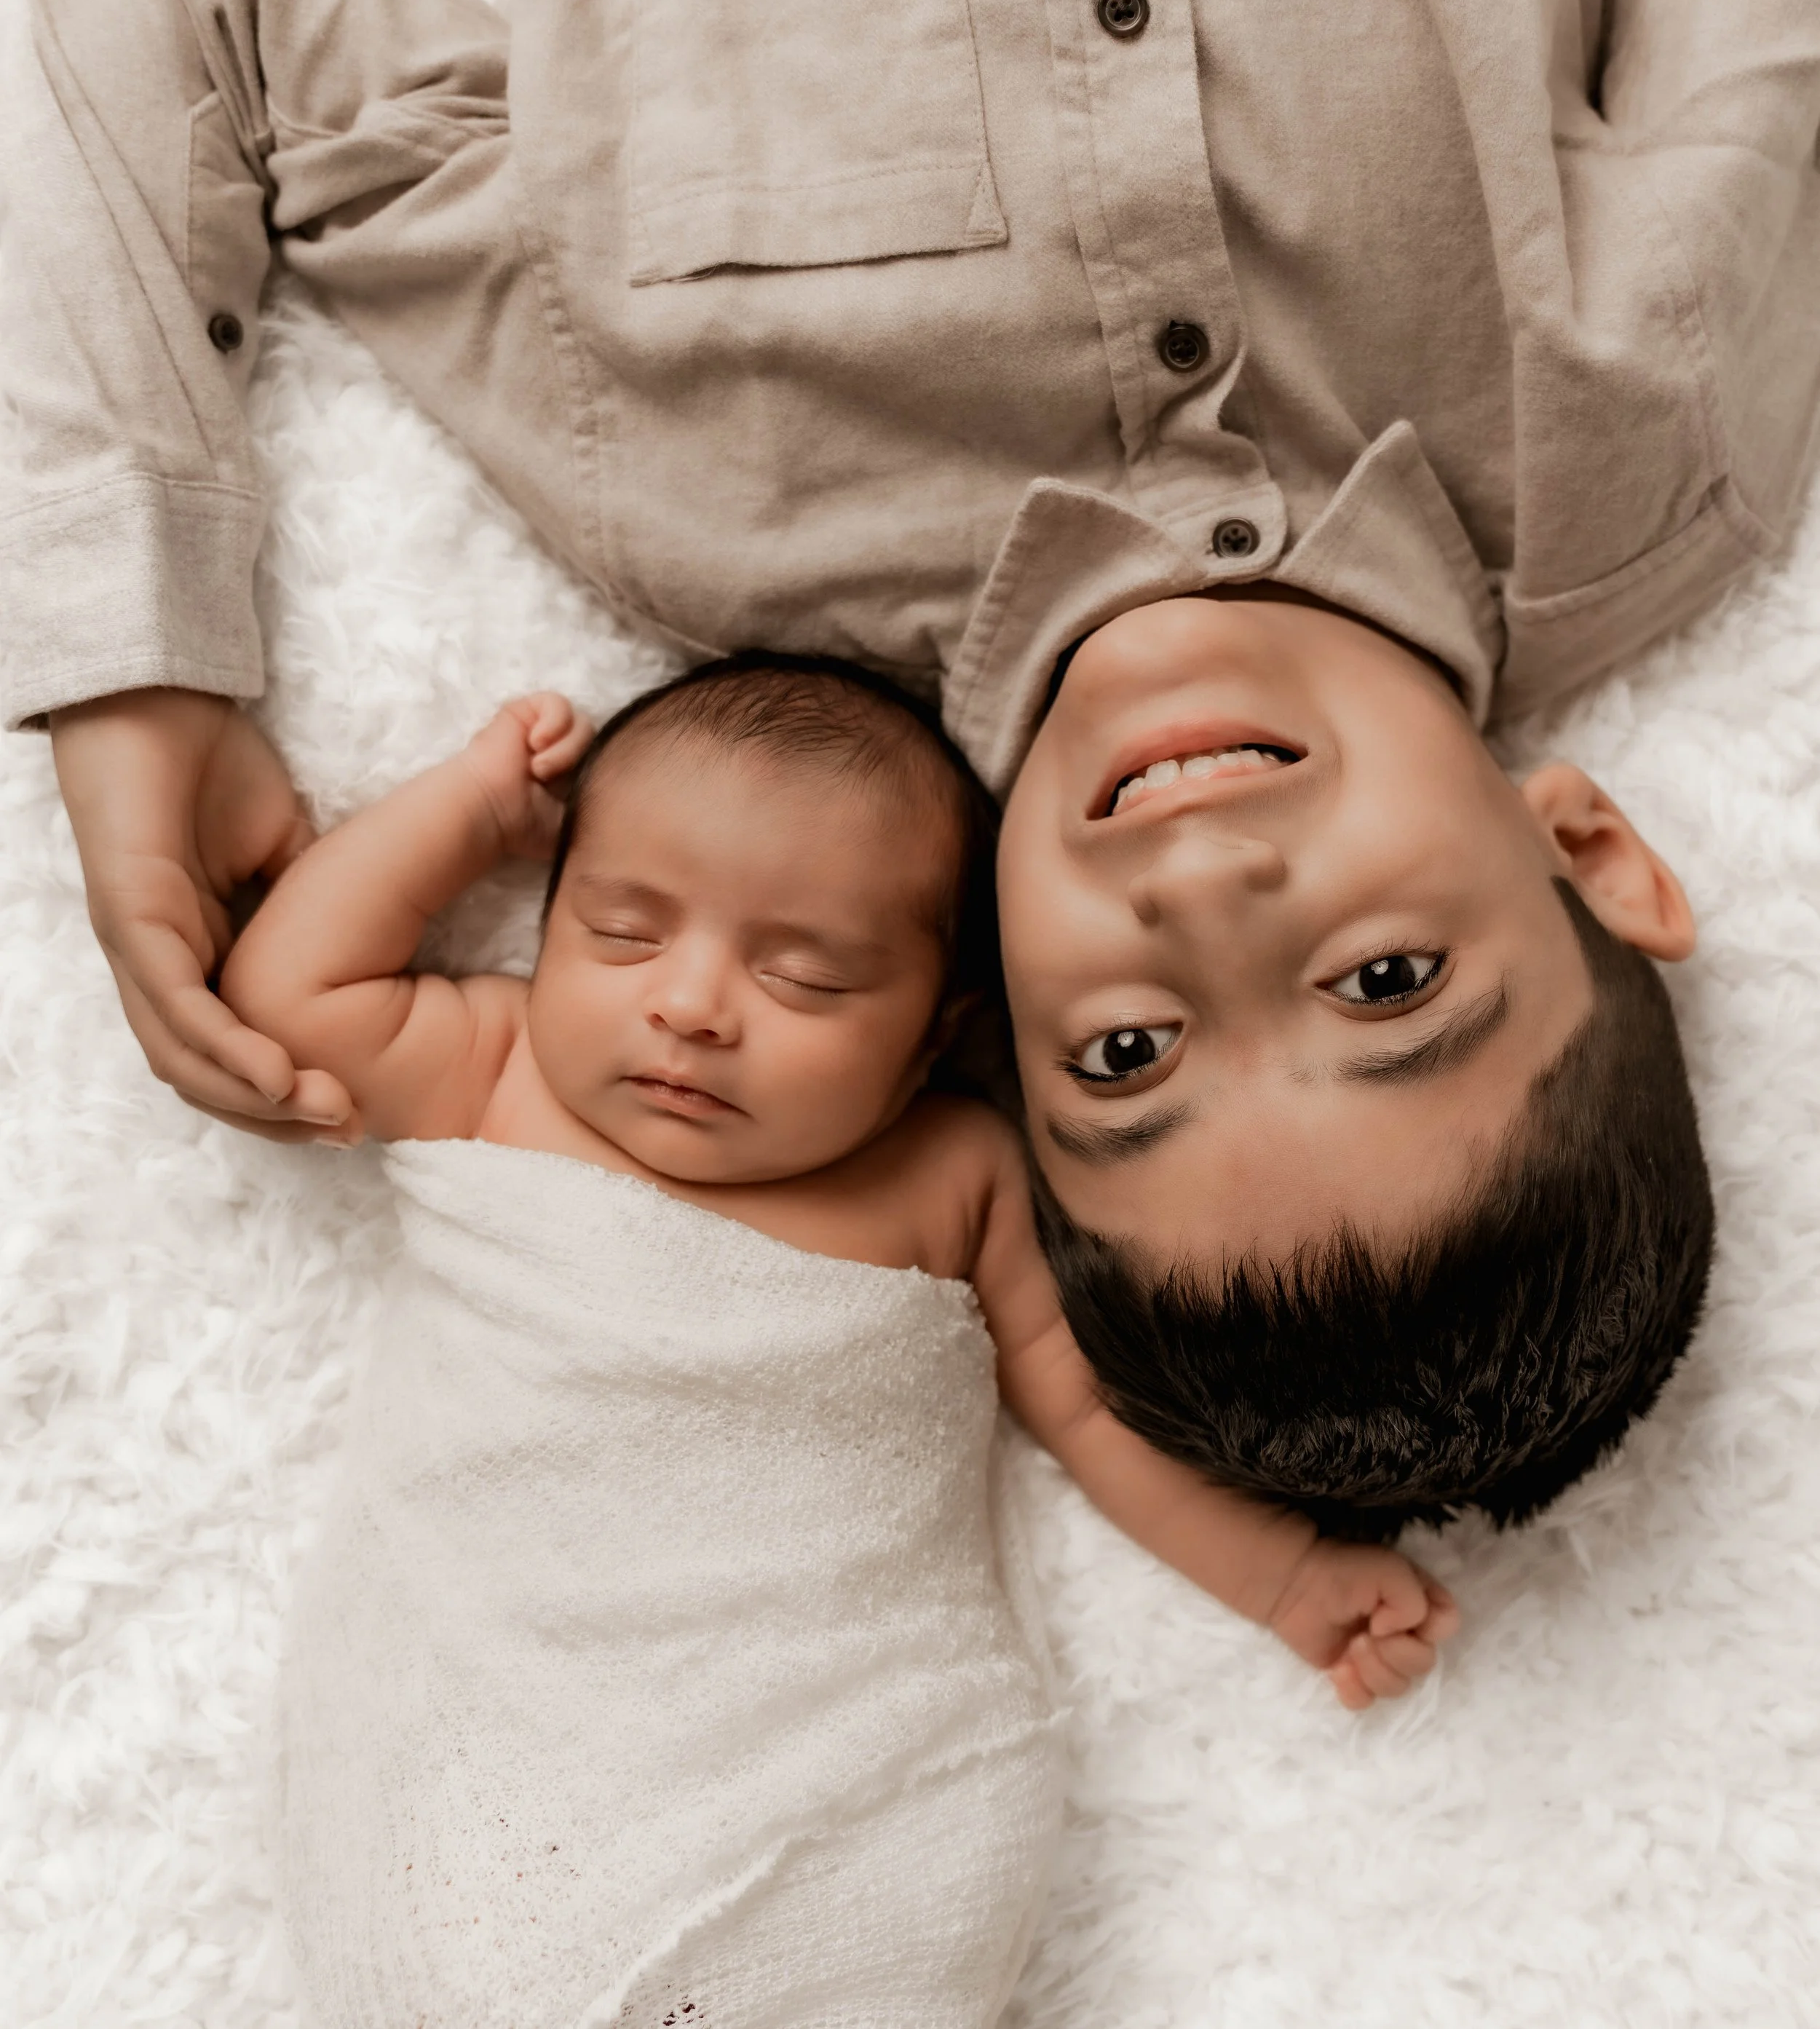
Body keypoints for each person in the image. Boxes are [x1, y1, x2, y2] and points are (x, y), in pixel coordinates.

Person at [9, 0, 1819, 1521]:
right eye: (1381, 972)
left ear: (973, 1025)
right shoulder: (1654, 408)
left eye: (1128, 1053)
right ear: (1586, 853)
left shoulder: (688, 487)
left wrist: (138, 639)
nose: (1209, 893)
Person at [225, 656, 1455, 2023]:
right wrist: (468, 809)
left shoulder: (953, 1173)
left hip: (830, 1752)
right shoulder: (497, 1066)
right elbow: (282, 995)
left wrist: (1282, 1577)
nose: (690, 1005)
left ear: (938, 1036)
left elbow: (1093, 1415)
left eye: (805, 978)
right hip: (501, 1702)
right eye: (624, 934)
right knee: (474, 1921)